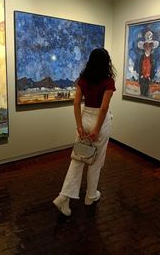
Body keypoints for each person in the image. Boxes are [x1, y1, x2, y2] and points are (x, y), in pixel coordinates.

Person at [53, 48, 116, 216]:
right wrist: (96, 129)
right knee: (96, 161)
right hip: (100, 123)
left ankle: (63, 196)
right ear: (106, 62)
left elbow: (75, 103)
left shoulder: (83, 79)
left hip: (85, 116)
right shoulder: (108, 81)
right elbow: (104, 108)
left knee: (78, 159)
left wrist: (79, 126)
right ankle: (90, 196)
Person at [138, 31, 159, 97]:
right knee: (142, 89)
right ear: (144, 47)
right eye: (146, 46)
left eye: (149, 46)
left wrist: (151, 76)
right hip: (142, 76)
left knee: (147, 90)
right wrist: (141, 74)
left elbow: (153, 67)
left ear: (151, 47)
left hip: (149, 77)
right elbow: (140, 66)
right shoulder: (142, 56)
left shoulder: (152, 57)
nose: (148, 48)